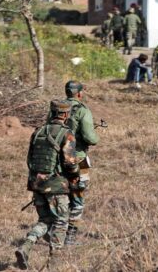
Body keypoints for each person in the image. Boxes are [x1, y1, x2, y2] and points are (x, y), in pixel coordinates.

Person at [15, 100, 79, 270]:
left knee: (45, 220)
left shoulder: (38, 132)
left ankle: (27, 245)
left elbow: (29, 160)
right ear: (66, 114)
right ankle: (54, 261)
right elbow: (70, 164)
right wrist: (75, 178)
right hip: (56, 186)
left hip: (36, 184)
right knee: (61, 221)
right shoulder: (67, 134)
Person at [57, 81, 99, 246]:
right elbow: (90, 138)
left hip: (58, 158)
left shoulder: (56, 108)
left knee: (60, 194)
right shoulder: (83, 110)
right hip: (79, 158)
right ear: (80, 94)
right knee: (78, 195)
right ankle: (70, 237)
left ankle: (56, 230)